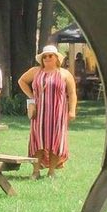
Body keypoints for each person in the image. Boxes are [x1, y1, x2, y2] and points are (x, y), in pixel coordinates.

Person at [18, 45, 78, 178]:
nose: (47, 58)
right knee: (38, 140)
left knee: (56, 141)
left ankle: (51, 171)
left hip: (58, 113)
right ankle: (35, 171)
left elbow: (72, 93)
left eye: (50, 55)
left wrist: (72, 110)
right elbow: (21, 81)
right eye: (44, 56)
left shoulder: (64, 73)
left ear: (56, 58)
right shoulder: (35, 71)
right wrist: (31, 96)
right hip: (39, 113)